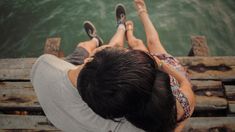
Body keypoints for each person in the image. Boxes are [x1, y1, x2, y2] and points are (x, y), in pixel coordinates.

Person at [31, 2, 195, 132]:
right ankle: (120, 28)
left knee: (81, 47)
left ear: (88, 60)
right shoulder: (130, 124)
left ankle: (104, 36)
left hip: (59, 112)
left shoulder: (44, 64)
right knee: (107, 45)